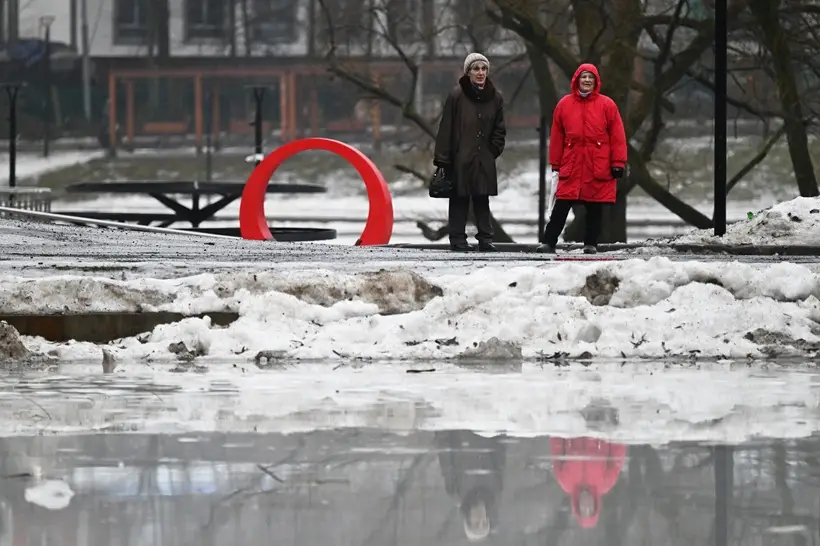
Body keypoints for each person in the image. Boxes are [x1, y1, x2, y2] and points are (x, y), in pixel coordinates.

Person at [536, 63, 627, 254]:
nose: (586, 81)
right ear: (576, 80)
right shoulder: (564, 104)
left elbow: (617, 136)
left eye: (590, 77)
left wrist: (618, 163)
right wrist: (556, 164)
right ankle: (548, 241)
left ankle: (591, 244)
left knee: (595, 207)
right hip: (572, 162)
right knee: (561, 205)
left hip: (598, 163)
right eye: (583, 77)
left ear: (596, 81)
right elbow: (557, 137)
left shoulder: (607, 105)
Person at [434, 53, 507, 252]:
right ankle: (457, 239)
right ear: (468, 72)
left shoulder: (495, 97)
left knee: (482, 200)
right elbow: (446, 127)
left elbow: (499, 129)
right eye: (476, 69)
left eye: (484, 69)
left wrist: (492, 151)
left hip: (484, 157)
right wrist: (444, 159)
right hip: (460, 157)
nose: (480, 73)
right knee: (459, 199)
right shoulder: (457, 95)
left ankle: (485, 239)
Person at [550, 436, 627, 528]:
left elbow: (556, 449)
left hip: (573, 429)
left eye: (583, 509)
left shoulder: (565, 482)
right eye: (590, 509)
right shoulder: (606, 483)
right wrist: (615, 432)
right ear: (596, 505)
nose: (587, 505)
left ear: (577, 505)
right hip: (600, 430)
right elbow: (617, 455)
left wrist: (557, 427)